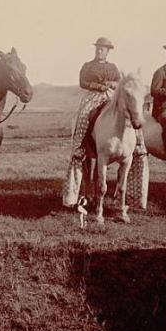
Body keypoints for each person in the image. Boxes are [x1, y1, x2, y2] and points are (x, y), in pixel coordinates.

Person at [60, 37, 120, 206]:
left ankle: (135, 145)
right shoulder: (87, 66)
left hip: (110, 96)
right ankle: (80, 145)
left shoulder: (113, 67)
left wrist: (111, 84)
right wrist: (97, 86)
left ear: (108, 51)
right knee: (85, 116)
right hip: (93, 97)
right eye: (98, 48)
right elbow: (82, 82)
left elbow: (119, 81)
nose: (99, 51)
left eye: (103, 49)